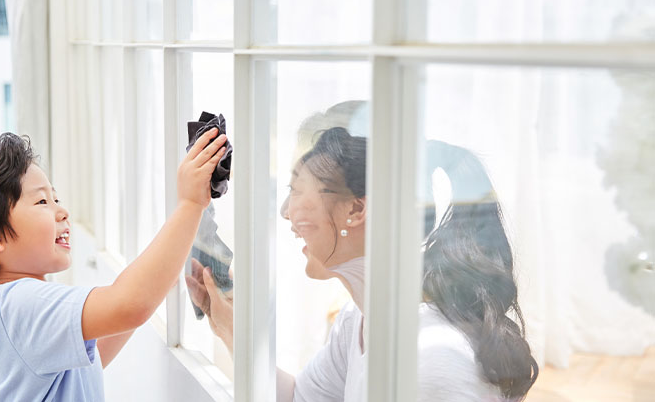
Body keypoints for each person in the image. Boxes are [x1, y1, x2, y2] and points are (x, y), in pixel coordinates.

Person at [187, 114, 538, 401]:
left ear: (356, 208)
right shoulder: (358, 320)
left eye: (296, 191)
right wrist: (232, 331)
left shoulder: (426, 362)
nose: (284, 212)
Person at [0, 130, 226, 401]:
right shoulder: (18, 303)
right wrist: (189, 204)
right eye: (41, 202)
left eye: (55, 198)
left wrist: (164, 275)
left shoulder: (12, 308)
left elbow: (92, 357)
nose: (62, 211)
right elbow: (128, 305)